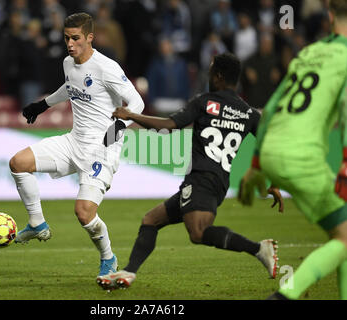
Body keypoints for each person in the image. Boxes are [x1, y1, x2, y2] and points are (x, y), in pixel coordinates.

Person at [97, 53, 283, 291]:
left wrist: (131, 115)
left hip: (201, 179)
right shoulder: (248, 113)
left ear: (217, 76)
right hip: (217, 183)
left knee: (197, 232)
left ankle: (258, 249)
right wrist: (274, 181)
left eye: (210, 70)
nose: (207, 75)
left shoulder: (204, 102)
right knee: (151, 220)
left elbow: (168, 127)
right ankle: (129, 272)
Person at [8, 12, 145, 282]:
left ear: (90, 38)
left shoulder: (107, 67)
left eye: (75, 38)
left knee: (83, 213)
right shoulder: (68, 63)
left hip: (102, 149)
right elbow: (71, 86)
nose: (70, 44)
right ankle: (37, 223)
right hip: (73, 142)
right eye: (66, 38)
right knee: (18, 163)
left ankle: (108, 257)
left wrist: (116, 130)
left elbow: (137, 103)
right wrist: (43, 104)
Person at [238, 0, 347, 300]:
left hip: (272, 149)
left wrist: (256, 164)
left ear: (328, 16)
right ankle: (285, 296)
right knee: (346, 238)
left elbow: (271, 108)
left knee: (342, 234)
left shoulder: (309, 53)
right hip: (302, 155)